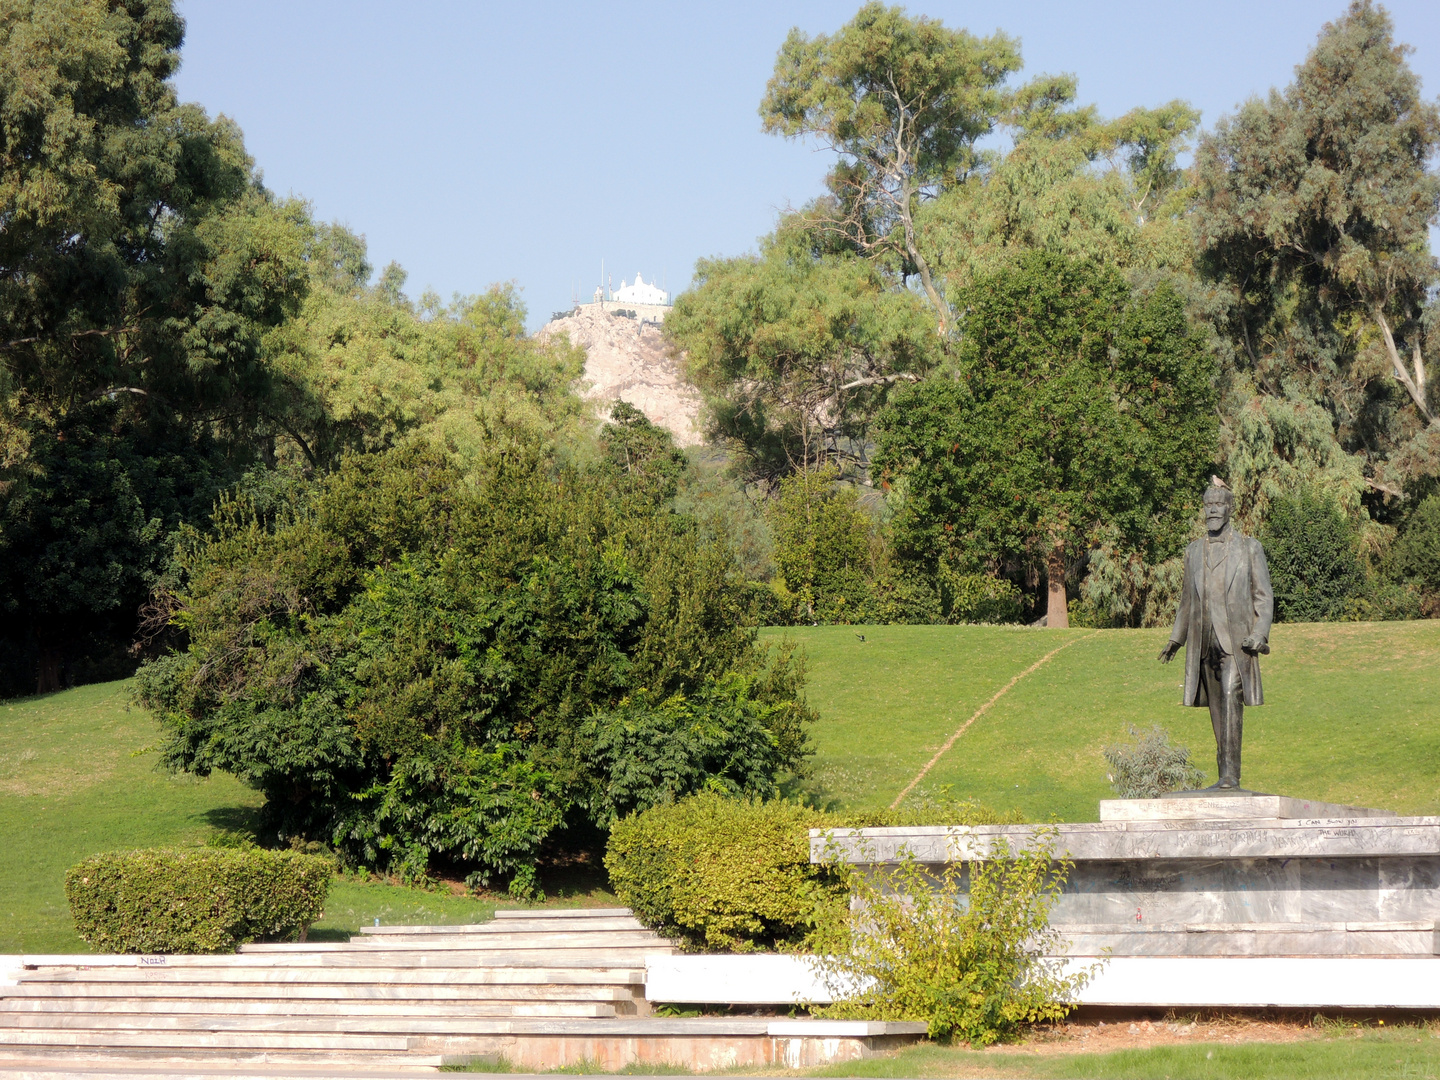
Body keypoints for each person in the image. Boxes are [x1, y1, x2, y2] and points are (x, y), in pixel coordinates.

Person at [1158, 481, 1273, 789]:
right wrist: (1175, 639)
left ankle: (1230, 776)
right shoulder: (1193, 552)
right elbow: (1187, 601)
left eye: (1218, 505)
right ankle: (1223, 771)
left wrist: (1260, 633)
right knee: (1216, 711)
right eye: (1208, 505)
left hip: (1237, 644)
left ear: (1229, 509)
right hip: (1204, 644)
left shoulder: (1249, 548)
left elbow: (1263, 595)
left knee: (1230, 697)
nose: (1212, 510)